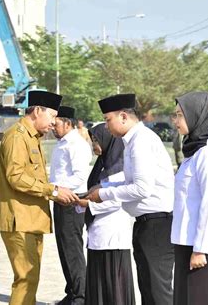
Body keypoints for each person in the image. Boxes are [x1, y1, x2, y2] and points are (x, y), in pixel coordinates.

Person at [86, 94, 175, 304]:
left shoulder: (141, 141)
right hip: (146, 223)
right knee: (148, 289)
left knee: (157, 292)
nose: (106, 127)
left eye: (108, 120)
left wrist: (104, 193)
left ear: (124, 117)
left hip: (157, 224)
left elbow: (141, 188)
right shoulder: (133, 140)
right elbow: (129, 181)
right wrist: (104, 186)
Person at [0, 90, 79, 305]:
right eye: (51, 116)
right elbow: (16, 177)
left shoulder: (32, 137)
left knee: (31, 277)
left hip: (31, 219)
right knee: (25, 278)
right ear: (37, 110)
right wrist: (54, 191)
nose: (53, 122)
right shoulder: (17, 136)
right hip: (18, 219)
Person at [171, 91, 208, 305]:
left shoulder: (207, 154)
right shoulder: (194, 152)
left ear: (199, 115)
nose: (175, 120)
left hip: (201, 248)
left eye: (180, 115)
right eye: (175, 115)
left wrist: (200, 249)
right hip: (186, 242)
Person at [76, 123, 135, 305]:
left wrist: (88, 204)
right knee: (98, 284)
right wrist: (82, 202)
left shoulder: (120, 169)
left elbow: (117, 199)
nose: (94, 144)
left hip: (114, 235)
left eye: (97, 140)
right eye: (92, 140)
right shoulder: (102, 166)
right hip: (97, 235)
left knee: (113, 286)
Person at [50, 106, 92, 305]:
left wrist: (59, 189)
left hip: (71, 200)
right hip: (59, 198)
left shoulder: (76, 144)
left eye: (56, 123)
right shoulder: (61, 143)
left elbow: (80, 177)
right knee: (64, 248)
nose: (52, 127)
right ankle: (72, 290)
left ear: (68, 123)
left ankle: (81, 296)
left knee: (72, 249)